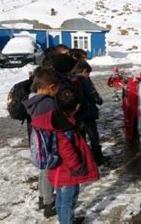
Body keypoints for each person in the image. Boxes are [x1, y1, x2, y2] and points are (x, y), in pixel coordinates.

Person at [50, 83, 99, 224]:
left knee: (61, 199)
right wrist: (78, 166)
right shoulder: (66, 126)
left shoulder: (57, 118)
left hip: (59, 170)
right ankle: (66, 221)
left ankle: (66, 220)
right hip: (68, 172)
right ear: (77, 106)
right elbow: (66, 150)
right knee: (68, 201)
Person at [23, 67, 61, 218]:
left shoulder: (34, 99)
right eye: (56, 89)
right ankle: (49, 204)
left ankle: (42, 198)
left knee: (43, 171)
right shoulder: (47, 104)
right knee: (47, 172)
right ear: (51, 87)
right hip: (47, 142)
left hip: (38, 141)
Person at [72, 60, 106, 165]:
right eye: (88, 73)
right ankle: (98, 159)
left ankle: (83, 159)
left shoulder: (70, 79)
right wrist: (99, 100)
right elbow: (94, 96)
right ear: (85, 71)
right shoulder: (84, 80)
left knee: (81, 139)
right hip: (88, 114)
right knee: (93, 137)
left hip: (77, 115)